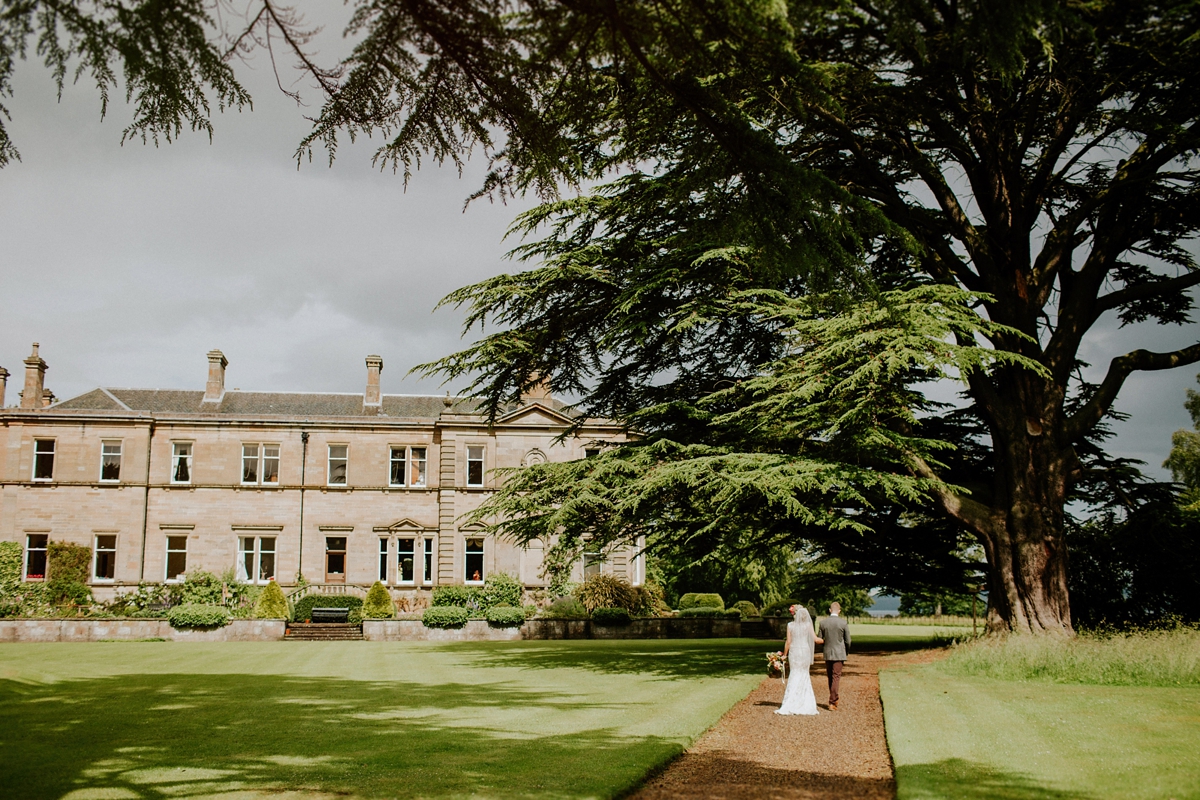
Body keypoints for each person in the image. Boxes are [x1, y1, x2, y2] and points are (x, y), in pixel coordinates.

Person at [775, 604, 823, 716]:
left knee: (794, 674)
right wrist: (826, 640)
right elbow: (815, 639)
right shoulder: (807, 625)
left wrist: (784, 655)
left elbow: (788, 642)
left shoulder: (790, 625)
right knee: (804, 674)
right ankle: (805, 702)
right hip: (805, 651)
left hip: (794, 652)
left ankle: (792, 701)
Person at [817, 601, 851, 710]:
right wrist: (846, 651)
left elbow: (820, 639)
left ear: (830, 610)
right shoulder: (843, 623)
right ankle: (832, 701)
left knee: (830, 677)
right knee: (836, 676)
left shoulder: (823, 623)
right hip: (839, 653)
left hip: (827, 652)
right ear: (839, 611)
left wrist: (825, 647)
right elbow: (848, 641)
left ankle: (834, 698)